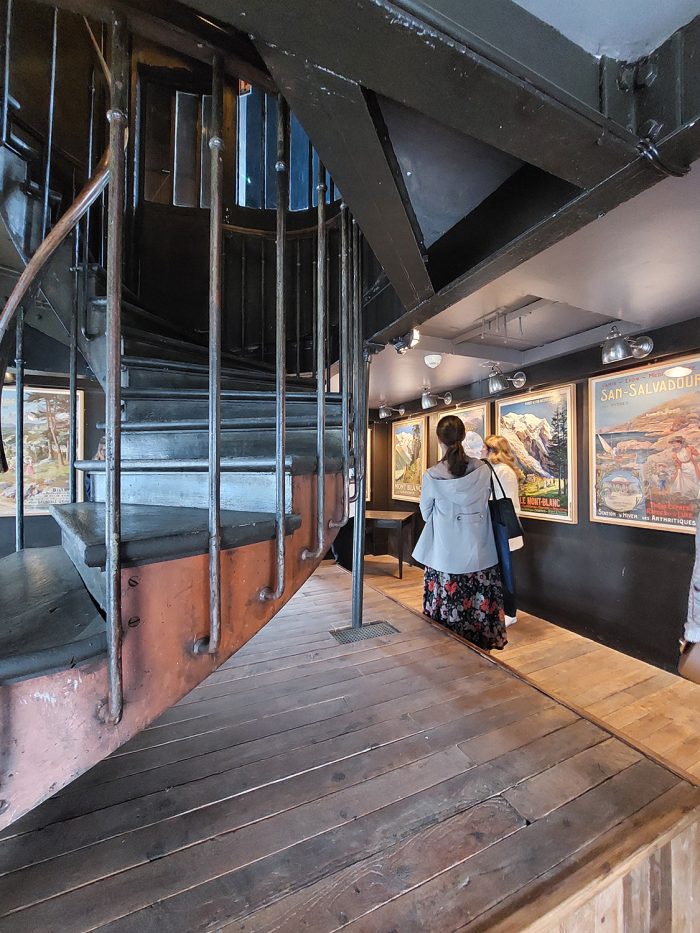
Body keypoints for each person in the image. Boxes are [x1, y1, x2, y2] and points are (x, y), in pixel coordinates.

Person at [413, 415, 506, 651]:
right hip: (480, 553)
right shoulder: (484, 470)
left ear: (438, 439)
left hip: (445, 556)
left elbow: (426, 514)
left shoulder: (432, 475)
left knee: (445, 634)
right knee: (478, 610)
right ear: (464, 437)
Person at [485, 434, 524, 626]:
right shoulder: (499, 470)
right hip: (499, 525)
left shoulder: (502, 471)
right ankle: (502, 608)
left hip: (502, 526)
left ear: (492, 451)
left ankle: (510, 612)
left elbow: (501, 500)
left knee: (506, 569)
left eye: (486, 448)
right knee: (501, 568)